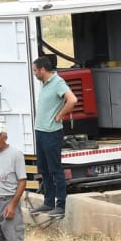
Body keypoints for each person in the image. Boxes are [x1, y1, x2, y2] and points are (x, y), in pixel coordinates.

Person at [31, 55, 78, 223]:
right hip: (41, 131)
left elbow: (72, 100)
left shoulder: (57, 82)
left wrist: (60, 115)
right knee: (43, 168)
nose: (34, 73)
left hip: (51, 132)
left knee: (55, 169)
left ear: (43, 70)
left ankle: (61, 204)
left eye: (35, 70)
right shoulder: (44, 84)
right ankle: (48, 202)